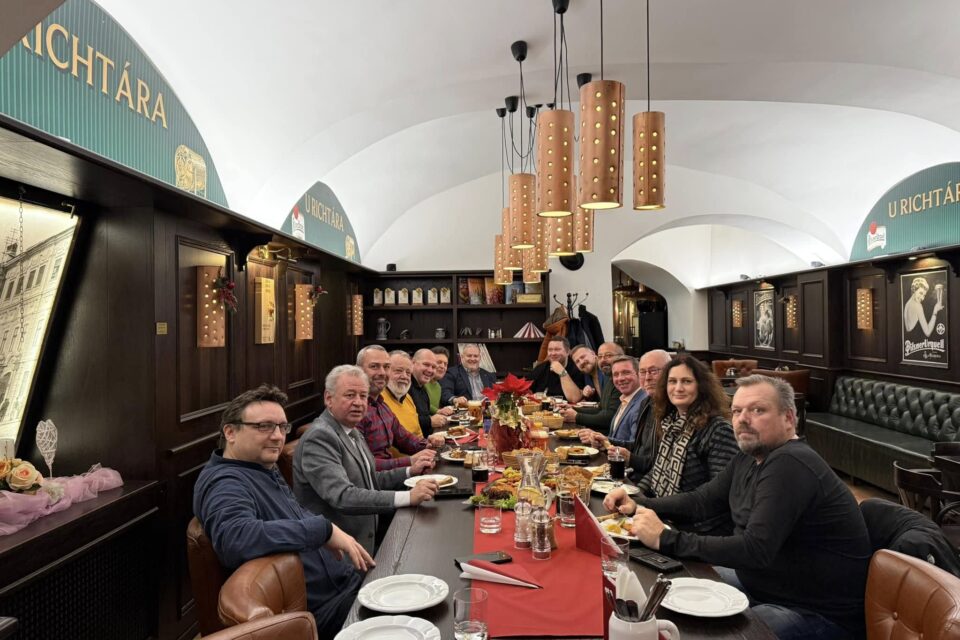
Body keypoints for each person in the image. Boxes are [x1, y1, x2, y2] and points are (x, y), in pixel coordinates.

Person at [604, 375, 871, 640]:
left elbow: (755, 549)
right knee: (661, 595)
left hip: (813, 611)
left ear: (789, 418)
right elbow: (702, 500)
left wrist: (666, 539)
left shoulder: (791, 462)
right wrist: (638, 504)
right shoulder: (750, 456)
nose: (743, 419)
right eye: (736, 411)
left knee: (697, 634)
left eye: (758, 410)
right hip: (763, 585)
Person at [193, 384, 373, 636]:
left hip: (347, 585)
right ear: (230, 432)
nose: (278, 436)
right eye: (264, 426)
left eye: (282, 427)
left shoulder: (260, 466)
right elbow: (236, 537)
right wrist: (323, 529)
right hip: (327, 614)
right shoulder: (225, 482)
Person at [293, 365, 440, 555]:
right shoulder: (320, 437)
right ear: (328, 399)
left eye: (363, 396)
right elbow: (343, 497)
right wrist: (408, 497)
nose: (358, 402)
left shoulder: (351, 430)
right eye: (350, 395)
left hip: (370, 536)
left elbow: (369, 480)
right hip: (342, 554)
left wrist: (410, 471)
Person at [630, 354, 739, 534]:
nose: (678, 388)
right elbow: (656, 471)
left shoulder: (718, 429)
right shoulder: (671, 422)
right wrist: (634, 494)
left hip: (698, 530)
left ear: (701, 386)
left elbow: (716, 498)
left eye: (686, 381)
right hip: (666, 516)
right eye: (672, 381)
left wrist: (643, 503)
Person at [580, 349, 671, 478]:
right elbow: (638, 445)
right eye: (643, 372)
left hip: (633, 477)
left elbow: (660, 466)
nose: (647, 377)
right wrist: (606, 441)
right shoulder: (646, 402)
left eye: (653, 371)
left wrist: (630, 458)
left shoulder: (649, 403)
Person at [356, 345, 442, 471]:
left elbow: (404, 438)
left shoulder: (381, 404)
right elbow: (362, 466)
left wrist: (428, 445)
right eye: (374, 366)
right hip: (382, 478)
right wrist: (410, 462)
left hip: (397, 472)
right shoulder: (355, 409)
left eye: (386, 367)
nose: (382, 372)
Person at [381, 350, 448, 439]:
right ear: (413, 363)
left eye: (408, 373)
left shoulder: (409, 396)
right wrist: (429, 421)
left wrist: (426, 442)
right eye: (398, 371)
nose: (404, 376)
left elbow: (415, 430)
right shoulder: (381, 399)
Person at [561, 342, 624, 431]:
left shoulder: (613, 377)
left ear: (594, 354)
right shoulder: (596, 375)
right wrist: (573, 408)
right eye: (577, 361)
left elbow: (610, 416)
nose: (581, 362)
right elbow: (601, 409)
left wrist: (577, 417)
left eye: (583, 357)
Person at [528, 336, 587, 401]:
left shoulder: (577, 369)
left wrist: (562, 372)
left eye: (557, 349)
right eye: (550, 350)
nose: (553, 353)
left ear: (568, 352)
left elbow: (574, 399)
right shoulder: (540, 369)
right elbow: (526, 392)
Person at [408, 349, 451, 432]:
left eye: (434, 367)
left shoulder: (422, 387)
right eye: (426, 364)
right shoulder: (405, 386)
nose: (430, 370)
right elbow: (404, 421)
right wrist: (429, 421)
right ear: (412, 363)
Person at [428, 346, 455, 416]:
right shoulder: (421, 383)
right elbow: (421, 405)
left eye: (445, 364)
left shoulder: (438, 387)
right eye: (439, 362)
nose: (442, 366)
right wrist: (438, 411)